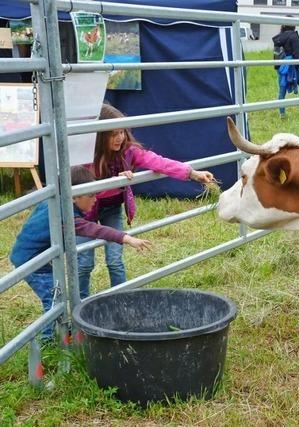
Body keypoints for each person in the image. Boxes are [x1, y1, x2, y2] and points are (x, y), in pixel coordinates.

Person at [78, 104, 214, 294]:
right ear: (100, 135)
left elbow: (159, 162)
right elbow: (81, 191)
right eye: (113, 134)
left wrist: (192, 173)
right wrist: (113, 182)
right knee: (83, 263)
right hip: (85, 214)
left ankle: (120, 300)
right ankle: (80, 305)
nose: (120, 138)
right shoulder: (85, 158)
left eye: (122, 132)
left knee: (115, 260)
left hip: (112, 209)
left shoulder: (128, 152)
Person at [10, 166, 151, 340]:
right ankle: (47, 341)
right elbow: (94, 229)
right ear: (75, 197)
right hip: (32, 262)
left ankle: (60, 332)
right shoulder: (64, 216)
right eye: (90, 195)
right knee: (53, 300)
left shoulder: (55, 203)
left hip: (39, 258)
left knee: (56, 296)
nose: (95, 199)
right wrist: (126, 238)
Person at [272, 21, 299, 119]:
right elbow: (298, 54)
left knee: (282, 92)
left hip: (281, 67)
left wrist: (278, 67)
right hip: (292, 67)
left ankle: (282, 114)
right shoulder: (294, 36)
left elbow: (276, 55)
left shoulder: (279, 37)